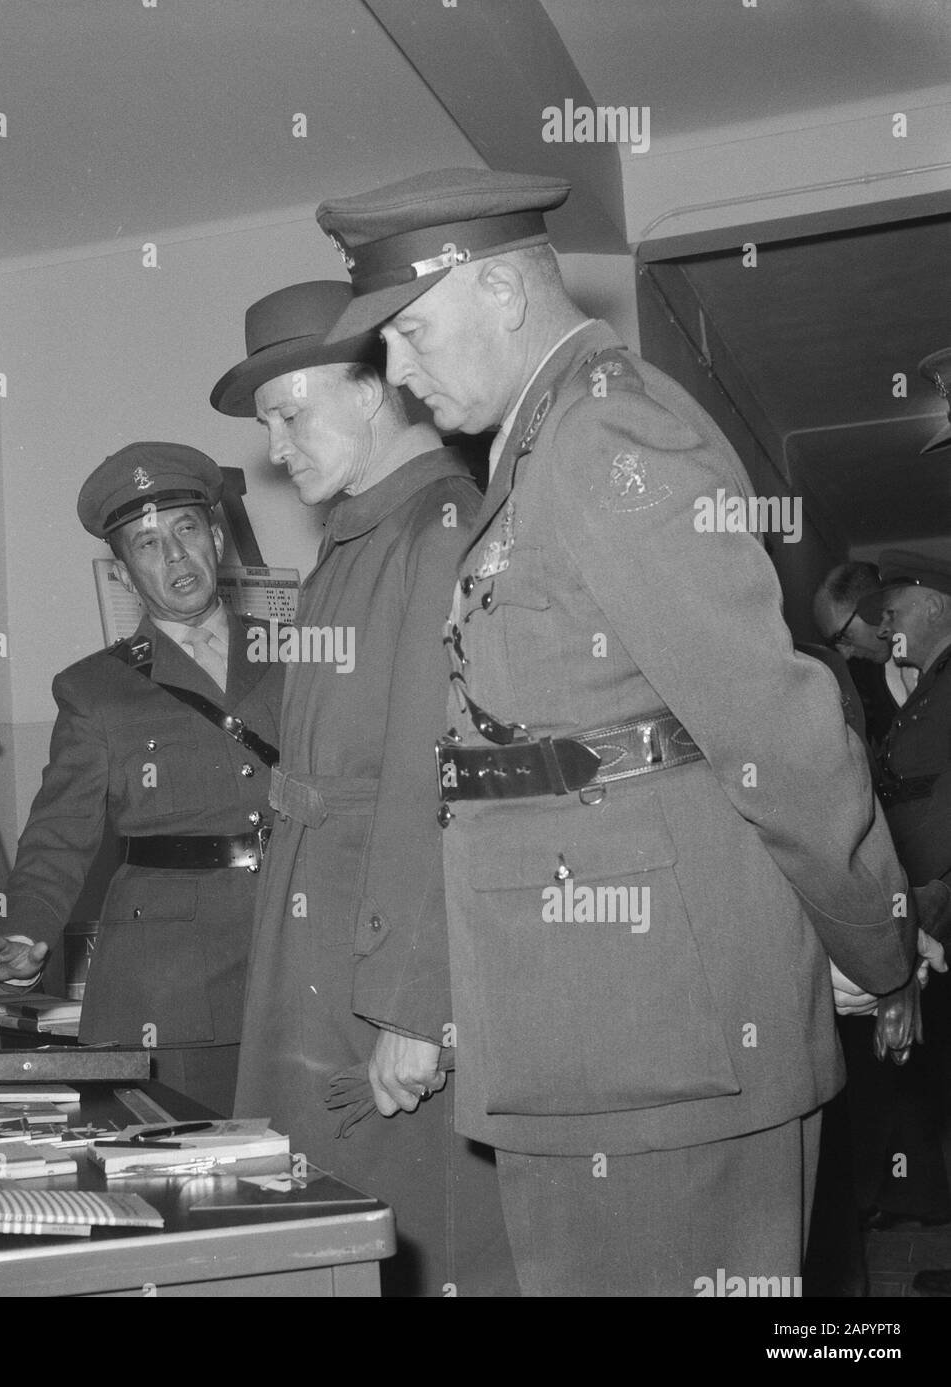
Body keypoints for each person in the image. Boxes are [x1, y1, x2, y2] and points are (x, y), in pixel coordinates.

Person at [315, 166, 944, 1296]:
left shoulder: (612, 436)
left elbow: (774, 725)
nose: (397, 376)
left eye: (408, 333)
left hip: (662, 1037)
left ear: (503, 291)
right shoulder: (542, 446)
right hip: (592, 1027)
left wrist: (875, 947)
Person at [209, 280, 512, 1295]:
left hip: (375, 963)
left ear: (376, 389)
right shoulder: (356, 537)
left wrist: (412, 1004)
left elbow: (448, 780)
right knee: (317, 1221)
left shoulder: (440, 530)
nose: (278, 445)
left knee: (397, 1227)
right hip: (321, 937)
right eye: (267, 423)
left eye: (291, 413)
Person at [0, 445, 281, 1115]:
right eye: (147, 544)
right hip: (173, 985)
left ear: (216, 537)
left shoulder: (294, 655)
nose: (175, 557)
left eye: (186, 530)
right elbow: (57, 836)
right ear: (124, 574)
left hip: (294, 956)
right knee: (194, 1173)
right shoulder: (96, 689)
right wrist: (24, 934)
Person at [860, 551, 951, 1294]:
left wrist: (930, 902)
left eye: (897, 607)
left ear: (940, 604)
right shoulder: (930, 690)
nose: (885, 621)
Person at [813, 560, 917, 746]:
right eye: (835, 643)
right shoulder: (863, 681)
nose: (844, 654)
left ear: (873, 605)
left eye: (842, 636)